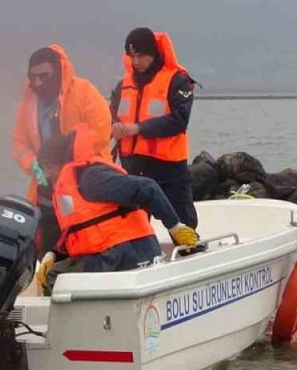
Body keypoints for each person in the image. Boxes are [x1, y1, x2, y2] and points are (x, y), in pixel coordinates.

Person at [33, 126, 200, 294]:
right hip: (111, 253)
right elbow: (79, 229)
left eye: (46, 169)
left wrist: (175, 226)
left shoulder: (90, 177)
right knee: (55, 271)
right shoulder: (74, 181)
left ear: (54, 163)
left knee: (55, 278)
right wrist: (54, 254)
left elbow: (147, 188)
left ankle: (76, 319)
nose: (47, 176)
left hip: (123, 254)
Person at [11, 44, 112, 252]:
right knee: (48, 244)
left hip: (87, 185)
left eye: (45, 76)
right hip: (47, 190)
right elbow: (19, 143)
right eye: (33, 77)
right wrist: (37, 169)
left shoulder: (85, 93)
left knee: (89, 243)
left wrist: (66, 165)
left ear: (58, 72)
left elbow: (101, 132)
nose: (38, 82)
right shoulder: (29, 103)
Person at [109, 27, 199, 229]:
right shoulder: (122, 85)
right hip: (132, 167)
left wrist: (137, 129)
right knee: (133, 229)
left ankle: (191, 253)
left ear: (153, 53)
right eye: (131, 56)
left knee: (185, 224)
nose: (136, 61)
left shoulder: (178, 81)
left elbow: (179, 120)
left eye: (140, 55)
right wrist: (112, 126)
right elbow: (109, 115)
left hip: (168, 169)